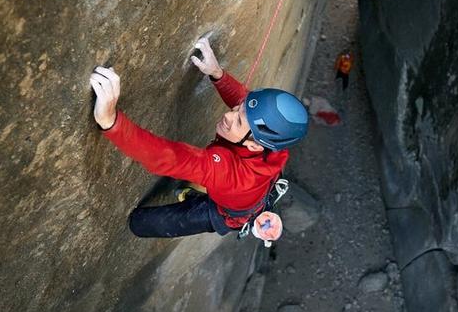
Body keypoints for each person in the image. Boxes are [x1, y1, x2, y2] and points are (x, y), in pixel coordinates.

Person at [88, 37, 308, 239]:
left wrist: (111, 121)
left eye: (238, 121)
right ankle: (203, 193)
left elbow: (170, 158)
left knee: (139, 224)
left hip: (228, 213)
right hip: (254, 192)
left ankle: (212, 205)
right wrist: (217, 74)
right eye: (238, 109)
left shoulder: (231, 174)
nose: (229, 115)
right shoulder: (274, 141)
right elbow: (243, 102)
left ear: (253, 145)